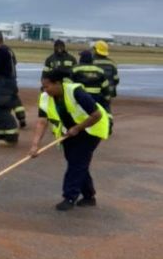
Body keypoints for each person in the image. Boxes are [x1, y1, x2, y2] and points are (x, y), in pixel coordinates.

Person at [29, 69, 110, 211]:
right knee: (76, 161)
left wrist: (78, 128)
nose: (45, 90)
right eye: (43, 87)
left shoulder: (75, 92)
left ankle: (70, 197)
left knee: (77, 161)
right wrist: (35, 145)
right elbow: (42, 122)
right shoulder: (44, 98)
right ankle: (89, 196)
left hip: (92, 128)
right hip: (69, 132)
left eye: (47, 86)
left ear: (58, 83)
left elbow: (96, 115)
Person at [92, 40, 119, 108]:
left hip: (95, 93)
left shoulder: (92, 62)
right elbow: (116, 79)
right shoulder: (112, 63)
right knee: (106, 111)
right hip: (108, 93)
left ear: (96, 50)